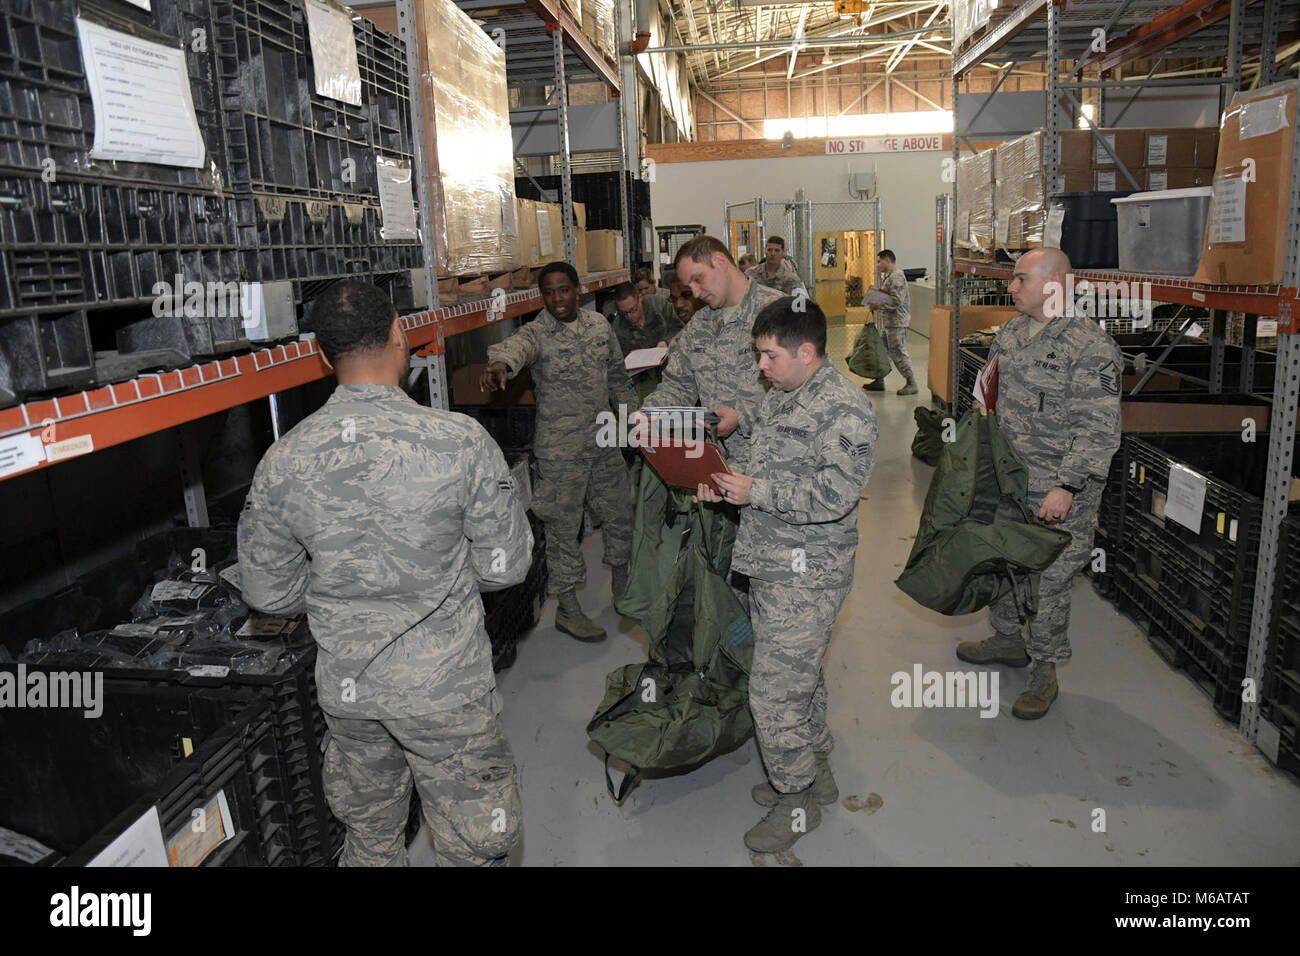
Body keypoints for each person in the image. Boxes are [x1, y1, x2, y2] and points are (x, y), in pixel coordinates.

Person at [238, 279, 533, 867]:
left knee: (370, 836)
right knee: (476, 842)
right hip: (445, 690)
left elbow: (268, 591)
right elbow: (507, 565)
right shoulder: (460, 442)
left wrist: (339, 596)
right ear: (400, 335)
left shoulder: (284, 460)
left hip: (350, 691)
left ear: (323, 355)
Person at [695, 297, 876, 853]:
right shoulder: (785, 395)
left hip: (809, 574)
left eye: (769, 356)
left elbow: (835, 494)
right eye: (758, 356)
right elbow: (769, 463)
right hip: (771, 562)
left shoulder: (846, 410)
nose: (761, 367)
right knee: (802, 681)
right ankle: (814, 771)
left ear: (806, 351)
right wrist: (726, 484)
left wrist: (757, 492)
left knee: (773, 694)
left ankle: (795, 800)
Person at [957, 247, 1122, 719]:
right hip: (1011, 480)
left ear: (1053, 285)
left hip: (1057, 488)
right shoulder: (1009, 333)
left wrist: (1067, 487)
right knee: (1005, 560)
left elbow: (1099, 430)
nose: (1010, 286)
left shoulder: (1090, 346)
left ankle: (1045, 670)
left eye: (1020, 278)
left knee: (1048, 580)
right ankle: (1008, 640)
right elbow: (988, 395)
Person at [481, 262, 637, 643]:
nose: (557, 299)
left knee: (620, 512)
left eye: (563, 290)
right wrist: (500, 364)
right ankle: (568, 609)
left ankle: (623, 586)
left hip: (603, 441)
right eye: (549, 292)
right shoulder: (537, 332)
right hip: (560, 451)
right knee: (563, 530)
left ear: (577, 290)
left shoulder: (599, 327)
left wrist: (634, 422)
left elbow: (618, 379)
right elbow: (513, 347)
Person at [636, 235, 785, 474]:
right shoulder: (700, 325)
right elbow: (678, 384)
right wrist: (650, 413)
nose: (694, 293)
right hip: (720, 465)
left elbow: (803, 391)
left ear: (721, 262)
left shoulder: (779, 312)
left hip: (773, 468)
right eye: (689, 286)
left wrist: (742, 416)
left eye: (698, 279)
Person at [611, 281, 683, 404]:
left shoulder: (660, 305)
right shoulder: (618, 327)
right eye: (624, 313)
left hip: (673, 371)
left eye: (633, 309)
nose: (630, 316)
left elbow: (680, 327)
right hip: (643, 380)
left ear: (640, 297)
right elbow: (620, 362)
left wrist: (666, 341)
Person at [865, 249, 918, 396]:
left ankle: (911, 382)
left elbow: (896, 301)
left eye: (879, 261)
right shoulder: (890, 277)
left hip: (896, 322)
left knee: (898, 352)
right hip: (890, 321)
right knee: (882, 351)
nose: (877, 265)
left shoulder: (896, 277)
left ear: (887, 260)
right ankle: (879, 380)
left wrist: (878, 304)